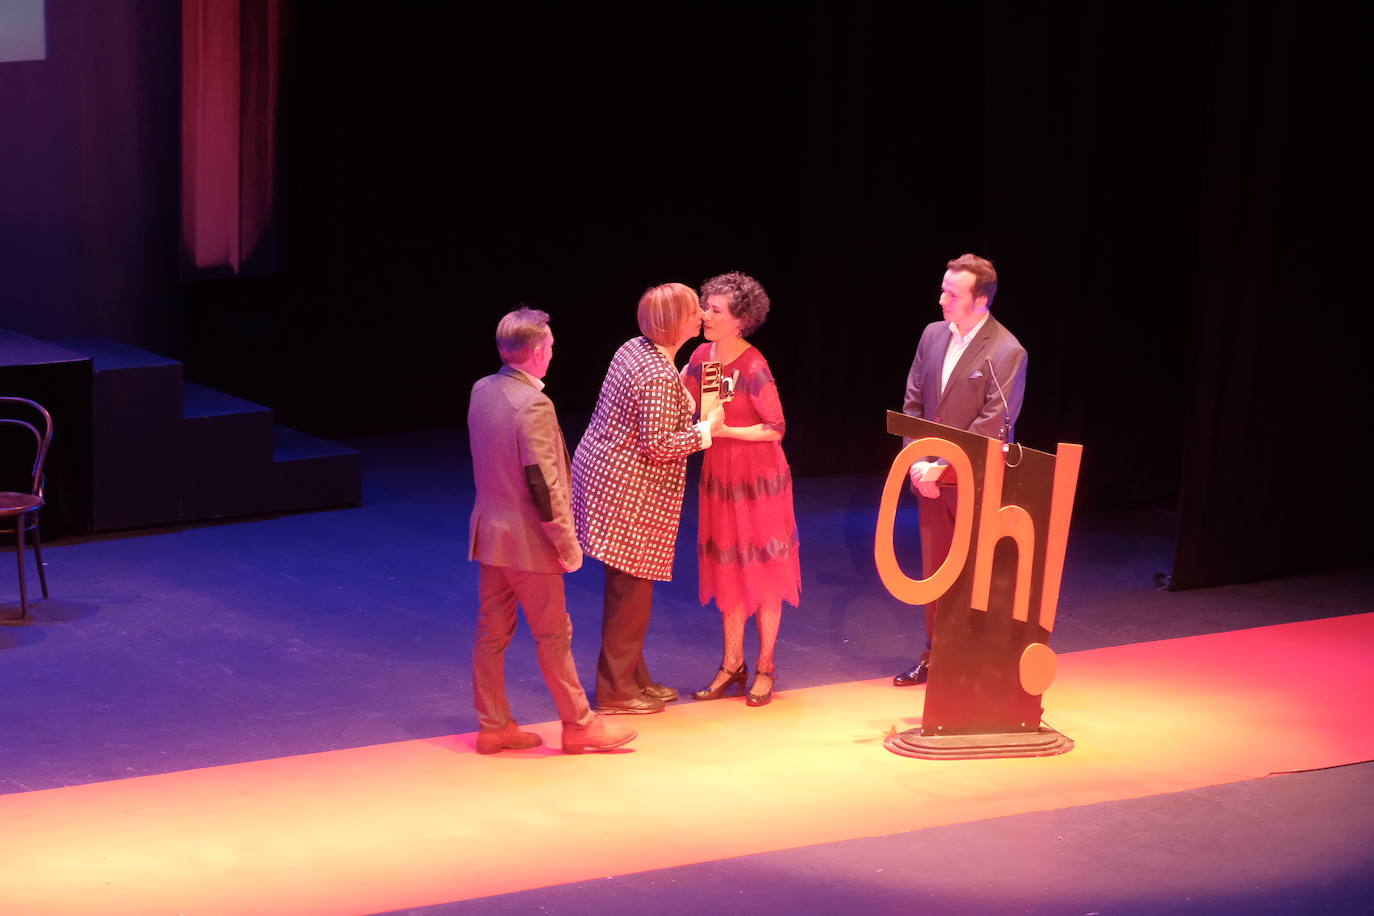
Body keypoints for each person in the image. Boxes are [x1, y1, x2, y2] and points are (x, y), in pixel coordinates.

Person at [467, 307, 636, 753]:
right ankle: (579, 725)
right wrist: (567, 543)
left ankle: (493, 725)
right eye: (551, 346)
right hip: (528, 542)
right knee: (553, 636)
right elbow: (543, 484)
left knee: (491, 634)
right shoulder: (534, 405)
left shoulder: (482, 390)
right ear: (539, 352)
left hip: (491, 535)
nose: (553, 353)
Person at [573, 283, 721, 715]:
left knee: (629, 589)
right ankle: (616, 691)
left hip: (608, 477)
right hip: (626, 488)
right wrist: (705, 429)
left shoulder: (635, 349)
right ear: (675, 321)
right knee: (631, 592)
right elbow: (658, 444)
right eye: (694, 310)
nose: (700, 316)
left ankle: (632, 677)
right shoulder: (655, 371)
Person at [893, 253, 1027, 686]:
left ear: (981, 300)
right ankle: (935, 655)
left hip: (973, 483)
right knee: (934, 571)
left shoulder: (1007, 351)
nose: (942, 300)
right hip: (927, 478)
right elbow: (914, 403)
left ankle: (972, 660)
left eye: (953, 294)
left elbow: (992, 424)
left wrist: (943, 467)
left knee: (973, 573)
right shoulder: (932, 335)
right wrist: (919, 461)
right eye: (944, 290)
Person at [683, 272, 800, 707]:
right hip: (720, 477)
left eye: (715, 310)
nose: (706, 315)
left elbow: (775, 428)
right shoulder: (701, 357)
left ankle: (766, 666)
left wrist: (727, 430)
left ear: (740, 320)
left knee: (765, 571)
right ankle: (732, 664)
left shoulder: (754, 365)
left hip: (759, 479)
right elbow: (682, 398)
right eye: (705, 306)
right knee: (728, 565)